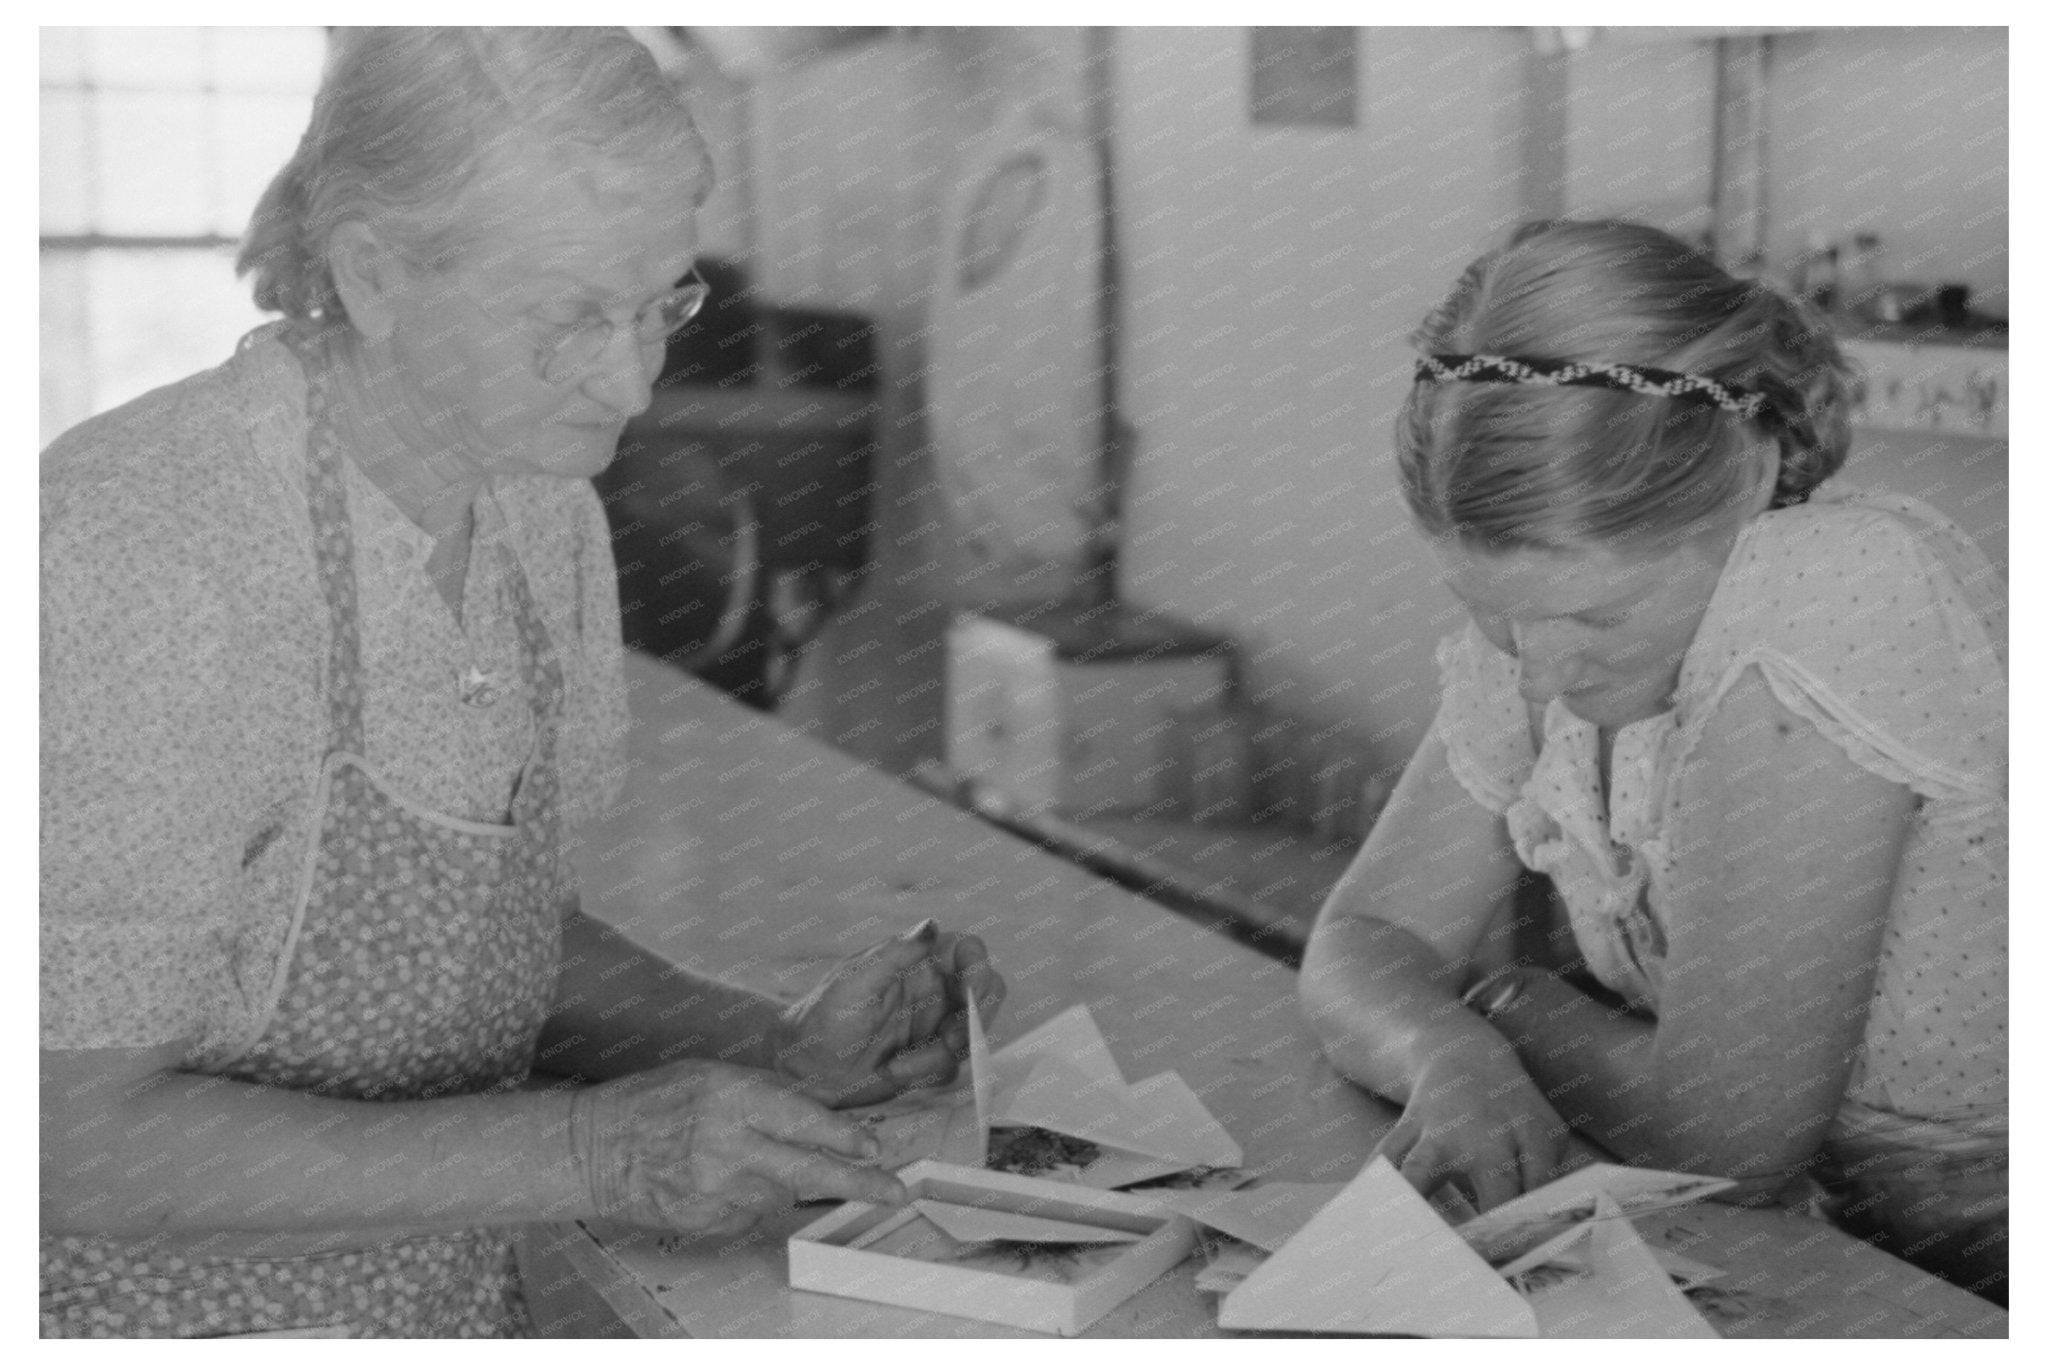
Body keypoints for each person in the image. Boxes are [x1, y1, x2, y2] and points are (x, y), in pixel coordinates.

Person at [40, 28, 1003, 1338]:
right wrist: (593, 1152)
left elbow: (470, 939)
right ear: (376, 274)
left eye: (665, 299)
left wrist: (762, 1041)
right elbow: (68, 1142)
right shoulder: (148, 552)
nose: (636, 379)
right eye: (570, 317)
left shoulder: (535, 503)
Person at [1298, 219, 2006, 1302]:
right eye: (1487, 613)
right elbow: (1362, 938)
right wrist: (1441, 1055)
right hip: (1834, 1245)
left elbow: (1729, 1143)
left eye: (1596, 616)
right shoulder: (1539, 633)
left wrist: (1506, 1007)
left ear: (1746, 475)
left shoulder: (1826, 595)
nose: (1536, 676)